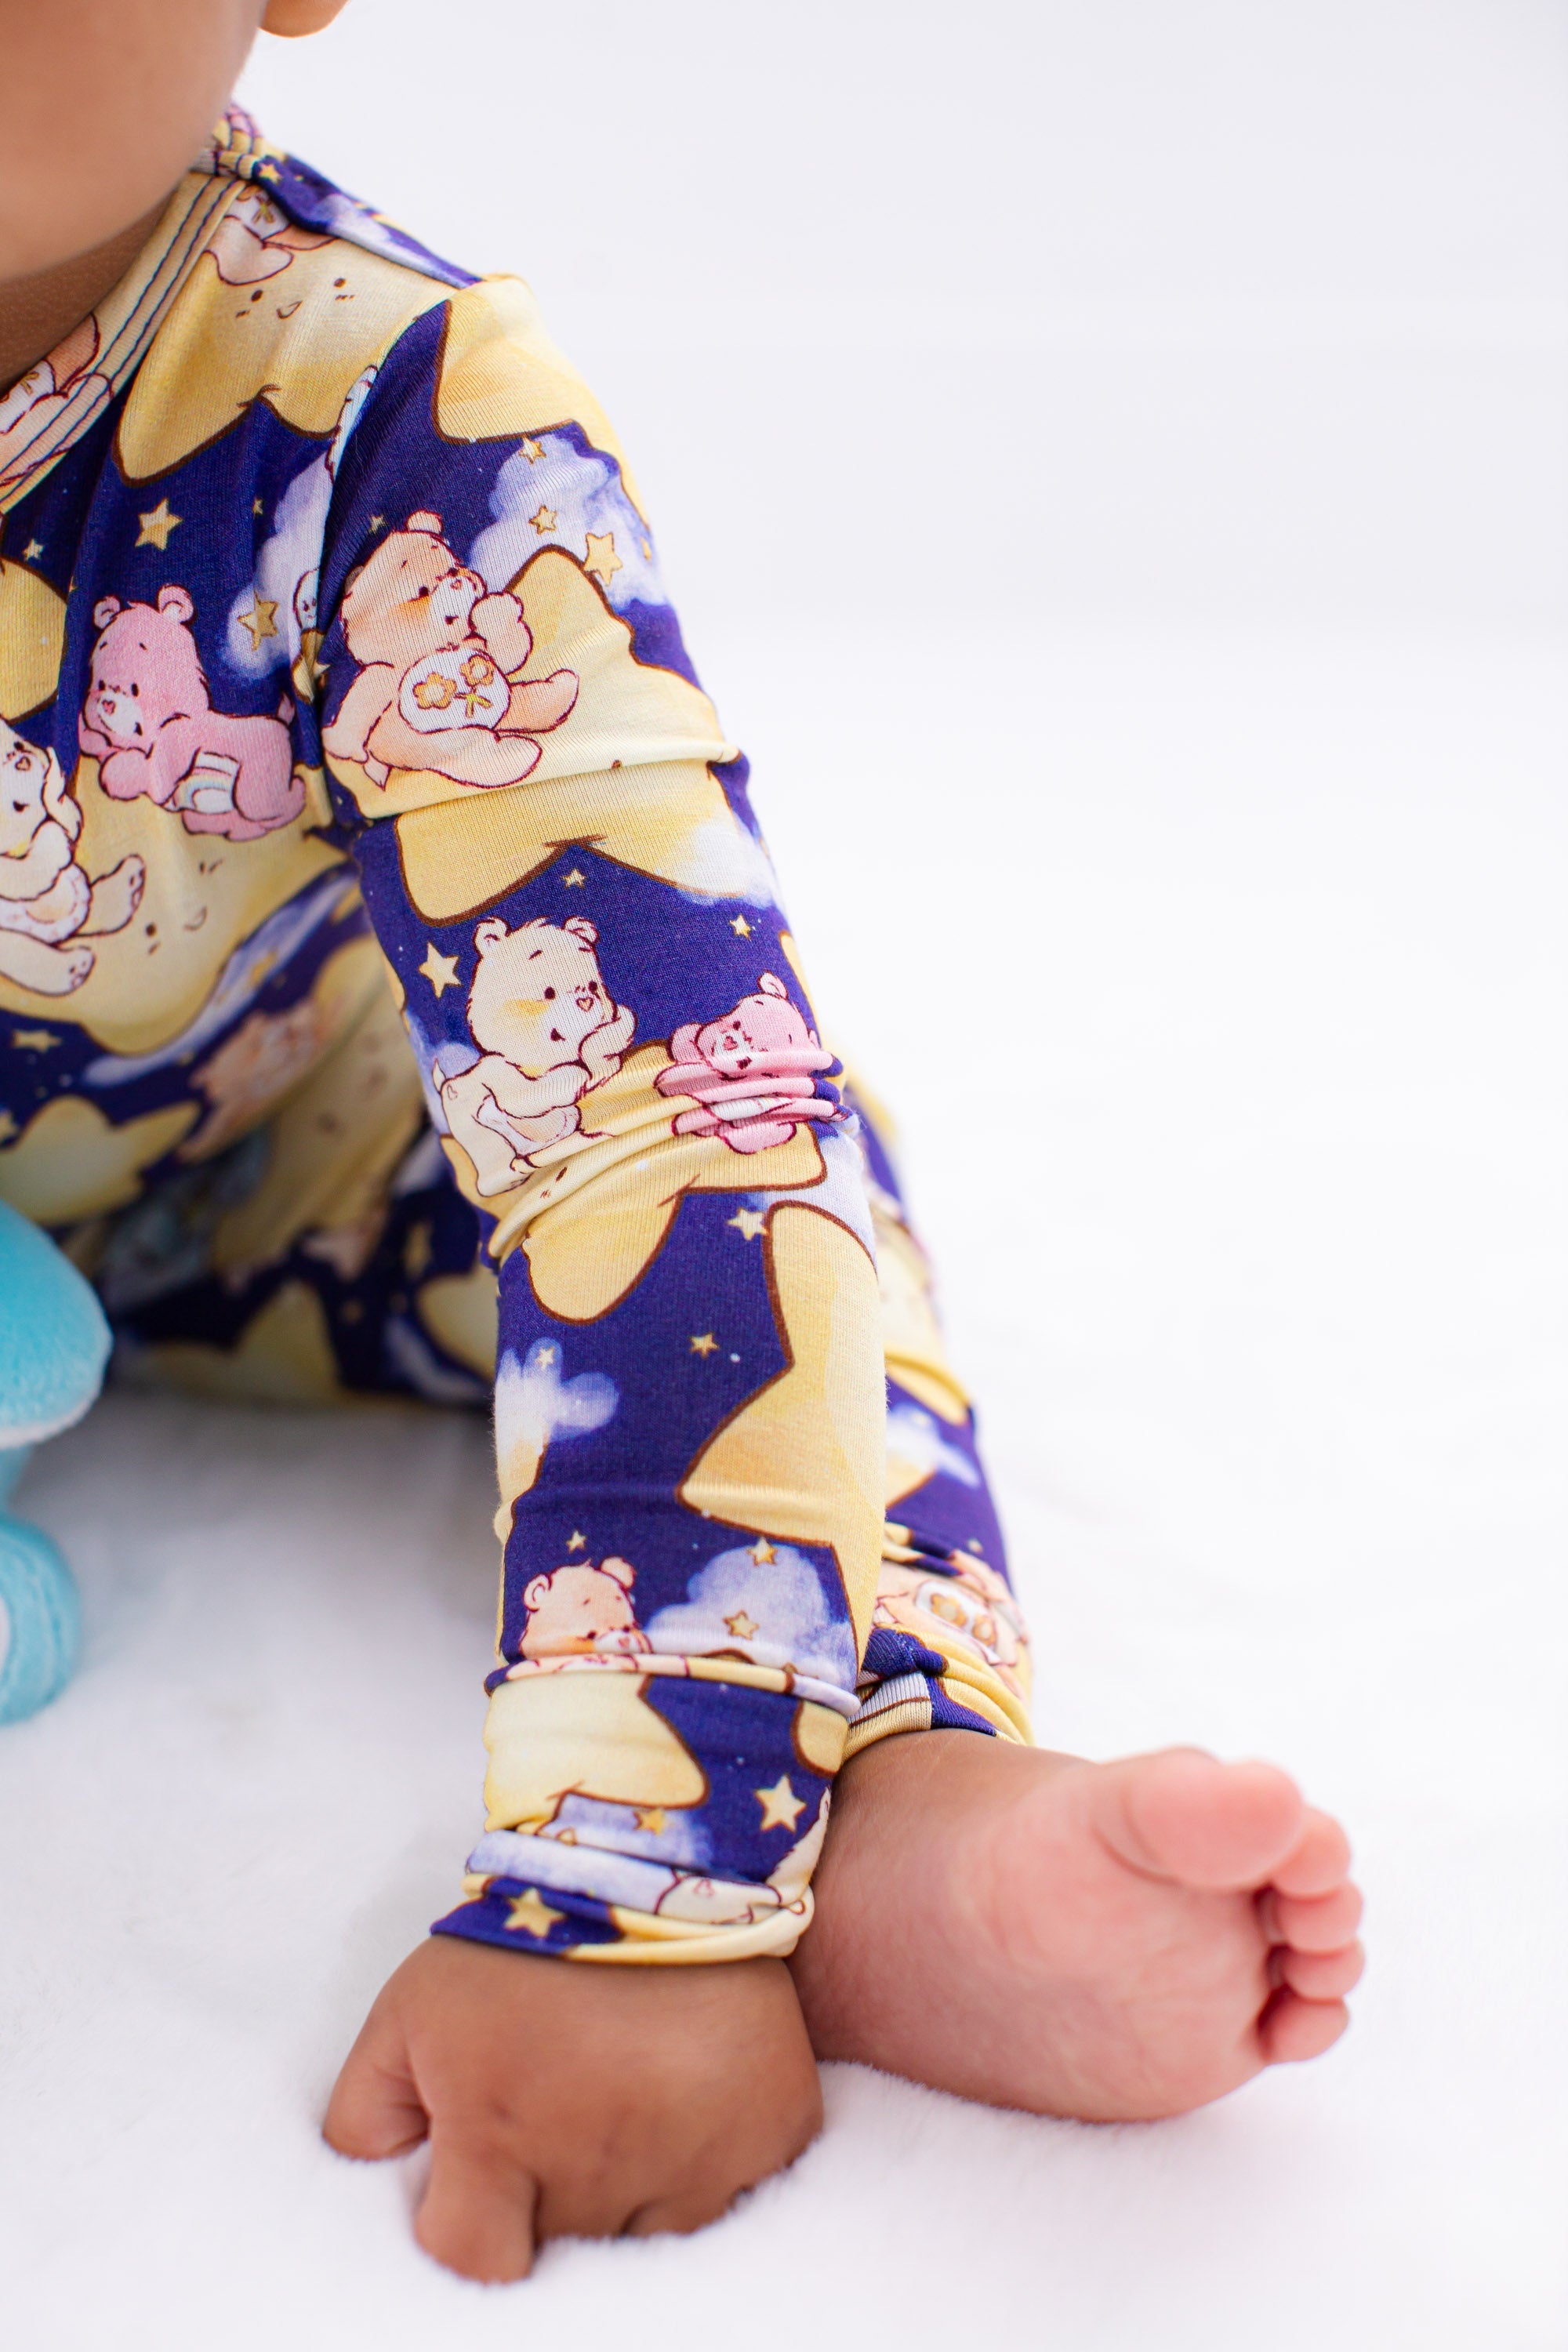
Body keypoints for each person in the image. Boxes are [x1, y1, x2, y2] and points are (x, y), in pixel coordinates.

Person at [0, 0, 1363, 2283]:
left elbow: (661, 1118)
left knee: (776, 1182)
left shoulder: (383, 411)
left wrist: (644, 1871)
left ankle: (866, 1776)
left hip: (317, 1181)